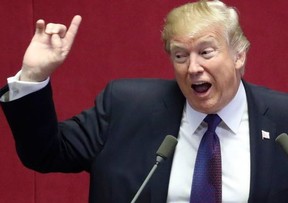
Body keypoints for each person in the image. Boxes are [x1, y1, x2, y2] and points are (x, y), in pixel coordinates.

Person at [1, 0, 288, 202]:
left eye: (206, 52)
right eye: (180, 55)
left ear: (239, 55)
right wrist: (33, 76)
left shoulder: (281, 119)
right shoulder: (127, 107)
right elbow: (45, 153)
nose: (193, 68)